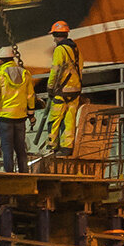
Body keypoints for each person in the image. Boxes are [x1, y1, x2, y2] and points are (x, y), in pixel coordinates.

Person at [0, 44, 35, 172]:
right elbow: (30, 95)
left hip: (5, 118)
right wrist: (31, 114)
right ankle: (24, 173)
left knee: (7, 148)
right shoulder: (25, 73)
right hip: (21, 117)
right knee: (21, 148)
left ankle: (9, 174)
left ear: (0, 60)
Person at [42, 19, 83, 156]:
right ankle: (67, 148)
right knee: (69, 120)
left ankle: (52, 147)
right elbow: (80, 67)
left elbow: (55, 70)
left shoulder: (60, 49)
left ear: (55, 35)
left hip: (62, 90)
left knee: (54, 120)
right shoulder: (75, 48)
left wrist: (50, 87)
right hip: (75, 89)